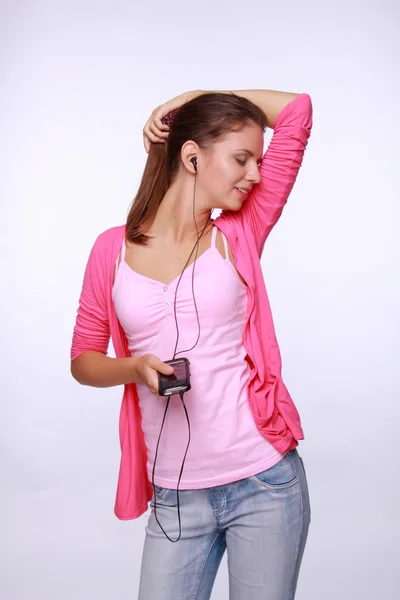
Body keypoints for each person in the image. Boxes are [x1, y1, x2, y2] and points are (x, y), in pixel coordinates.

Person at [70, 87, 313, 600]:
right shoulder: (111, 250)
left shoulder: (240, 231)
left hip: (265, 482)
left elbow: (297, 111)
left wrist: (187, 100)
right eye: (241, 158)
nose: (256, 174)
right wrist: (135, 368)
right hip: (176, 497)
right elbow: (84, 359)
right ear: (192, 156)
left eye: (259, 160)